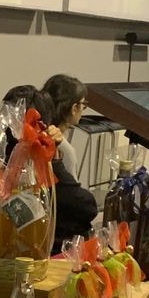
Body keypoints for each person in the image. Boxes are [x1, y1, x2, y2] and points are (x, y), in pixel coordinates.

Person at [40, 73, 99, 249]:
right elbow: (71, 198)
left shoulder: (40, 136)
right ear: (74, 108)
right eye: (83, 105)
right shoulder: (64, 150)